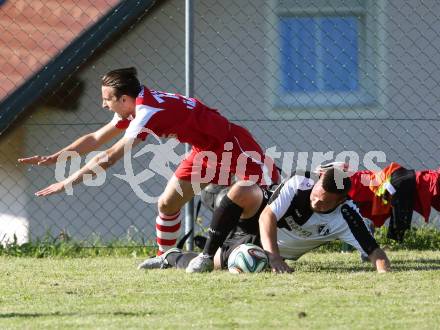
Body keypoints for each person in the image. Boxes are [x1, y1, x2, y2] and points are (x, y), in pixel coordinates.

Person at [18, 67, 280, 256]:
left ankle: (276, 250)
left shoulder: (145, 112)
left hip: (232, 144)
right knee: (166, 203)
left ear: (123, 99)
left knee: (270, 198)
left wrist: (68, 181)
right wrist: (58, 157)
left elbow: (109, 157)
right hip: (205, 151)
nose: (103, 105)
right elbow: (96, 138)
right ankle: (165, 258)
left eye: (106, 99)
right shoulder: (137, 104)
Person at [138, 167, 390, 273]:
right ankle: (206, 242)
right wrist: (274, 257)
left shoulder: (347, 215)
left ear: (340, 201)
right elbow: (268, 215)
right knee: (243, 189)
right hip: (256, 218)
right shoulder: (301, 183)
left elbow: (377, 254)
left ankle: (170, 257)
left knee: (222, 265)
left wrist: (385, 279)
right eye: (316, 195)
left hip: (257, 242)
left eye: (324, 202)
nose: (316, 202)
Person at [325, 162, 440, 242]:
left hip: (390, 181)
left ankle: (365, 241)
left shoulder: (353, 182)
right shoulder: (353, 182)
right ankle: (365, 241)